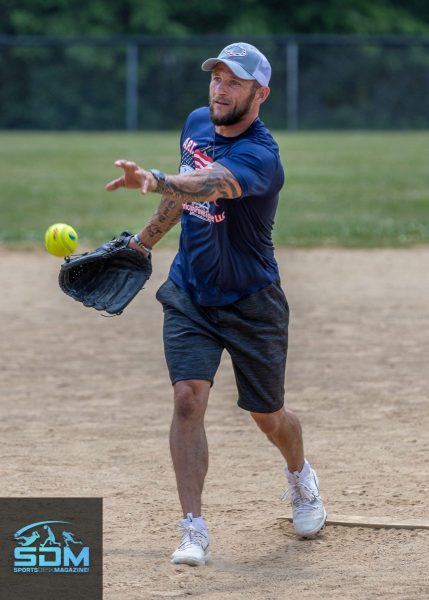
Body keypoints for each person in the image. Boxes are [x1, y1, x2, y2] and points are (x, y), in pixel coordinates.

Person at [105, 42, 326, 566]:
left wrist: (157, 178)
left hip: (252, 299)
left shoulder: (261, 156)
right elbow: (182, 194)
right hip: (191, 291)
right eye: (216, 78)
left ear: (259, 93)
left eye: (233, 82)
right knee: (188, 398)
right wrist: (142, 243)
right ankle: (193, 527)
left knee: (268, 415)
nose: (219, 90)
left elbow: (210, 184)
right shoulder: (196, 122)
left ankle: (300, 475)